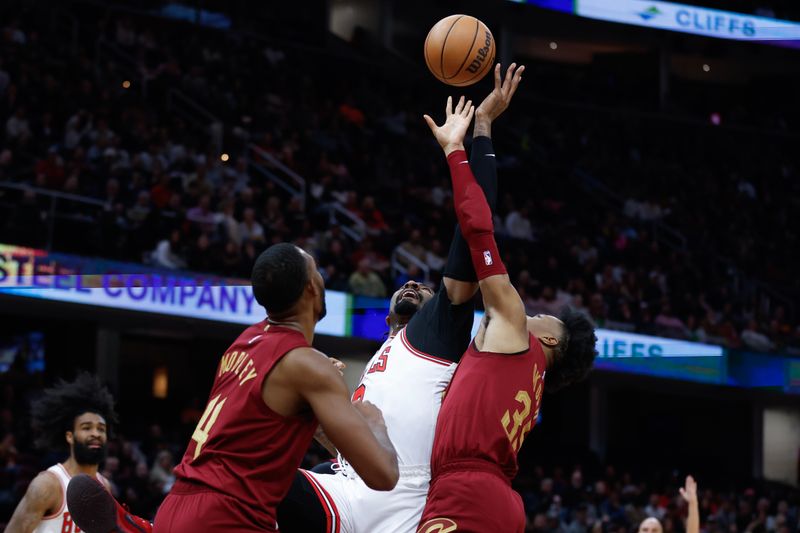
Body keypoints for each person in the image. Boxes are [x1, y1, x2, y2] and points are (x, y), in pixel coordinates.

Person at [277, 64, 522, 533]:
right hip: (350, 481)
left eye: (424, 287)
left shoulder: (438, 328)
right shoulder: (380, 357)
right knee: (250, 475)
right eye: (405, 286)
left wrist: (481, 134)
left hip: (400, 495)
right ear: (387, 313)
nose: (412, 285)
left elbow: (474, 228)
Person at [67, 243, 399, 533]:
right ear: (312, 286)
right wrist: (376, 425)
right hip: (227, 518)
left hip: (177, 505)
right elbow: (383, 476)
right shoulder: (308, 366)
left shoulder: (242, 344)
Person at [417, 79, 598, 533]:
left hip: (468, 491)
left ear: (552, 338)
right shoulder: (529, 379)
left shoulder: (515, 328)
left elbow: (479, 229)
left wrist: (457, 150)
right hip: (487, 494)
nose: (533, 312)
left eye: (544, 317)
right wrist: (483, 125)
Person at [6, 372, 150, 533]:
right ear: (70, 436)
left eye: (101, 429)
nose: (95, 433)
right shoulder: (48, 484)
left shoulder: (104, 485)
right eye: (86, 427)